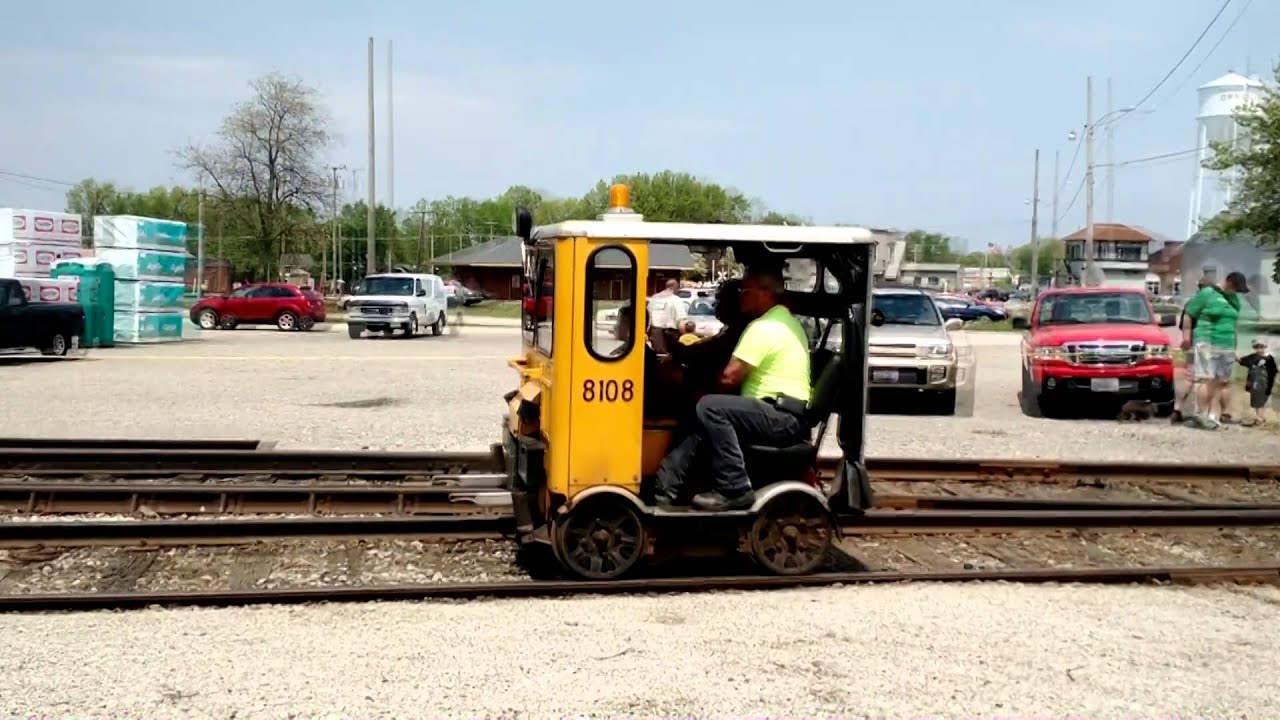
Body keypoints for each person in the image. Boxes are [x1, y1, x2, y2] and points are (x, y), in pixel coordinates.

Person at [654, 265, 812, 511]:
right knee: (703, 412)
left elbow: (729, 378)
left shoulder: (765, 327)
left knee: (709, 407)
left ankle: (734, 488)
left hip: (779, 416)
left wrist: (701, 392)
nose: (741, 295)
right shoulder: (783, 321)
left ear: (764, 292)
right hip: (778, 411)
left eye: (744, 290)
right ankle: (664, 491)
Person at [1181, 271, 1249, 429]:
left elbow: (1233, 324)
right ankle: (1202, 414)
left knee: (1221, 381)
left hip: (1227, 344)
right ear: (1229, 282)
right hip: (1207, 340)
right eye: (1236, 288)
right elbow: (1189, 313)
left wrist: (1235, 347)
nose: (1237, 292)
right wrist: (1186, 336)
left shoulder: (1233, 299)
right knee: (1207, 378)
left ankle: (1213, 416)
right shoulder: (1207, 293)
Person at [1171, 276, 1211, 424]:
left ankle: (1177, 409)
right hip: (1207, 346)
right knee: (1204, 380)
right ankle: (1201, 413)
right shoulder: (1213, 304)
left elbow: (1183, 327)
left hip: (1191, 346)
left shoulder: (1190, 303)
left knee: (1188, 378)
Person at [1238, 339, 1277, 427]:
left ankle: (1260, 419)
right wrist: (1237, 359)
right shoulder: (1252, 357)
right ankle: (1258, 418)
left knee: (1261, 402)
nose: (1259, 349)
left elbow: (1273, 372)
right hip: (1252, 383)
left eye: (1261, 347)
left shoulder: (1269, 358)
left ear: (1265, 347)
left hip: (1264, 383)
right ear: (1254, 348)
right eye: (1257, 347)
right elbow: (1242, 361)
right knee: (1254, 402)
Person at [646, 279, 687, 353]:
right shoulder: (676, 300)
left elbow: (647, 316)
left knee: (658, 355)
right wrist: (686, 335)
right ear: (675, 287)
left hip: (655, 334)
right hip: (670, 335)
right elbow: (680, 321)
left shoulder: (654, 298)